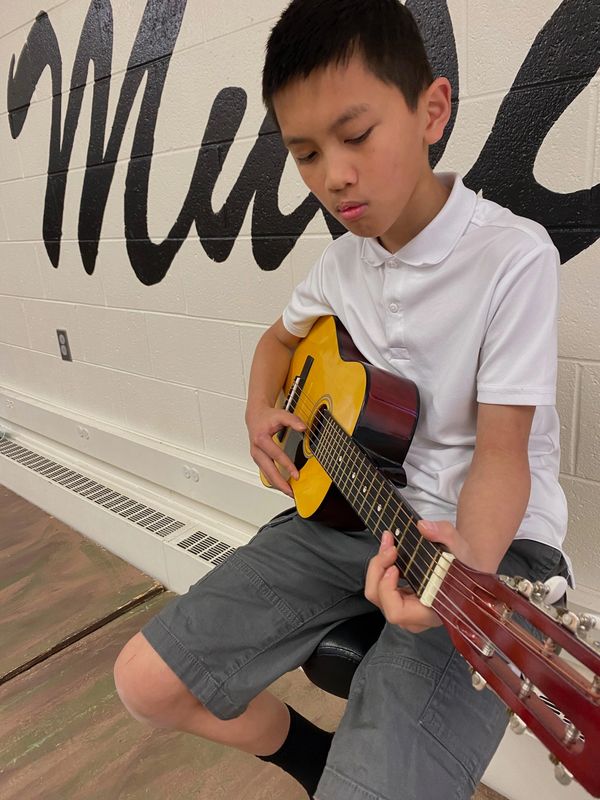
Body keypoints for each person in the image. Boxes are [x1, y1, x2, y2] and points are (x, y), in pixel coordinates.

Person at [113, 2, 571, 798]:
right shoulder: (340, 266)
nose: (334, 175)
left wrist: (464, 572)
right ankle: (313, 762)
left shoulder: (512, 258)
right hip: (348, 512)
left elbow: (503, 460)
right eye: (306, 153)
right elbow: (277, 343)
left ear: (433, 109)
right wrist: (261, 410)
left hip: (488, 544)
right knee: (144, 683)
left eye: (355, 136)